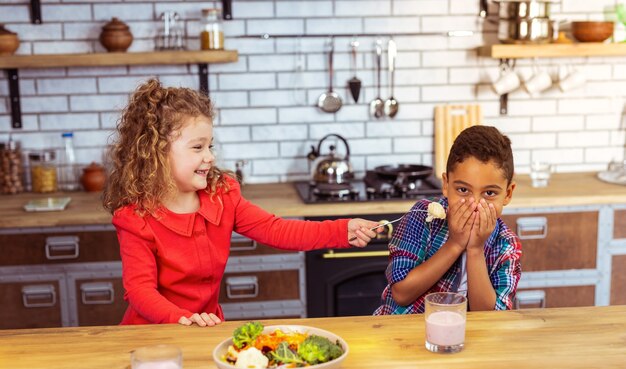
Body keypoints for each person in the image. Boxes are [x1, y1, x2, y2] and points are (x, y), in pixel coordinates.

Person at [103, 78, 381, 327]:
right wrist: (182, 319)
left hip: (204, 330)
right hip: (152, 336)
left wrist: (342, 230)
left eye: (209, 146)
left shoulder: (221, 195)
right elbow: (140, 291)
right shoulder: (136, 216)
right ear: (157, 153)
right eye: (197, 147)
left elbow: (277, 229)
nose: (210, 156)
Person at [374, 125, 522, 314]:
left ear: (508, 194)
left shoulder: (507, 245)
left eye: (489, 193)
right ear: (446, 184)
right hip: (401, 334)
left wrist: (475, 249)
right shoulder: (422, 216)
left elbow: (489, 317)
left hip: (464, 339)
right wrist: (455, 244)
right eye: (463, 190)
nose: (474, 204)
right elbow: (401, 293)